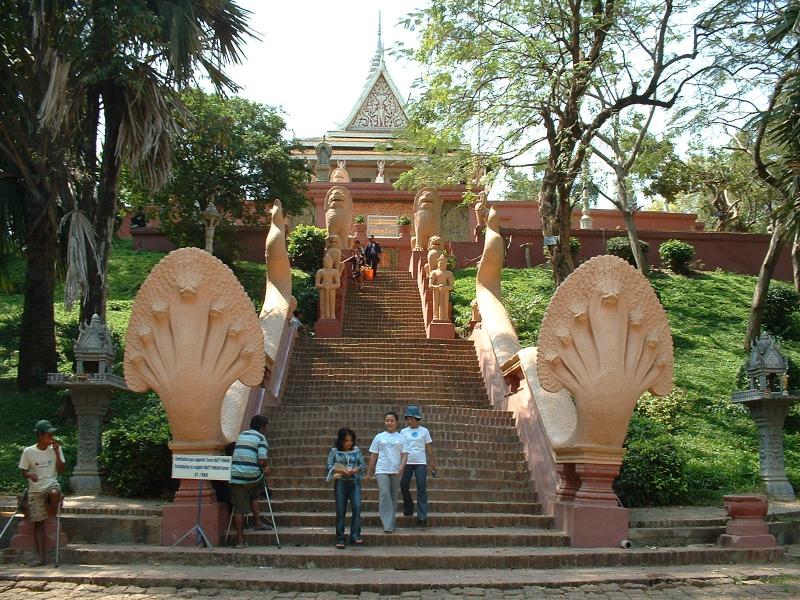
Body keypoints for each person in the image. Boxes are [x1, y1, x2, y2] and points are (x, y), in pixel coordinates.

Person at [18, 419, 65, 566]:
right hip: (35, 489)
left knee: (54, 492)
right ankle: (41, 558)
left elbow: (61, 470)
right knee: (38, 524)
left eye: (52, 433)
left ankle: (51, 513)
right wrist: (30, 475)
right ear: (40, 435)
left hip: (51, 485)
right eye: (48, 433)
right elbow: (23, 471)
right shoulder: (29, 451)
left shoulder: (56, 449)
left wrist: (57, 452)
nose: (51, 436)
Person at [229, 415, 271, 549]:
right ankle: (242, 539)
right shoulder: (261, 438)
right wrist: (265, 469)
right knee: (257, 487)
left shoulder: (241, 435)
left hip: (235, 475)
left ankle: (246, 535)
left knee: (242, 505)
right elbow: (261, 461)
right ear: (262, 427)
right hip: (251, 476)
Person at [365, 411, 407, 533]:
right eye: (387, 420)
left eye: (392, 420)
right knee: (385, 494)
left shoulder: (402, 437)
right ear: (384, 422)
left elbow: (404, 455)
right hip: (382, 469)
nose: (389, 423)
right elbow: (374, 455)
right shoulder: (379, 437)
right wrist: (369, 472)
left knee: (393, 496)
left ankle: (390, 522)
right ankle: (387, 524)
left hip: (396, 470)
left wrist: (402, 467)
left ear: (397, 422)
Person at [326, 427, 365, 549]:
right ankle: (340, 537)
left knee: (357, 507)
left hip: (354, 482)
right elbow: (329, 465)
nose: (349, 443)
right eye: (346, 440)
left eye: (351, 440)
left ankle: (355, 535)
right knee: (340, 510)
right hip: (341, 483)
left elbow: (362, 464)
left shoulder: (356, 450)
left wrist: (356, 470)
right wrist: (342, 470)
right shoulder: (334, 451)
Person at [400, 405, 436, 526]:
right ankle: (408, 506)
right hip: (407, 462)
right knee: (404, 485)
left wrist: (432, 462)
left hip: (420, 462)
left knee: (421, 487)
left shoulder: (424, 431)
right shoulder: (403, 432)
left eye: (411, 418)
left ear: (417, 418)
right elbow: (400, 447)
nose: (409, 421)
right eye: (407, 418)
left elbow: (428, 447)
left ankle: (422, 516)